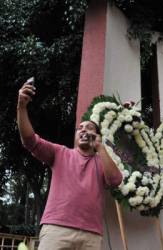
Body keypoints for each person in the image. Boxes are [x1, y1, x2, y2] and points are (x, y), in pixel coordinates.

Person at [17, 80, 123, 250]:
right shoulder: (60, 153)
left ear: (97, 136)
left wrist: (100, 147)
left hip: (92, 235)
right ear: (75, 136)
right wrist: (21, 107)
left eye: (89, 128)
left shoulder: (101, 161)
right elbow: (29, 140)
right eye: (80, 128)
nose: (83, 130)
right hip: (56, 229)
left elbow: (115, 180)